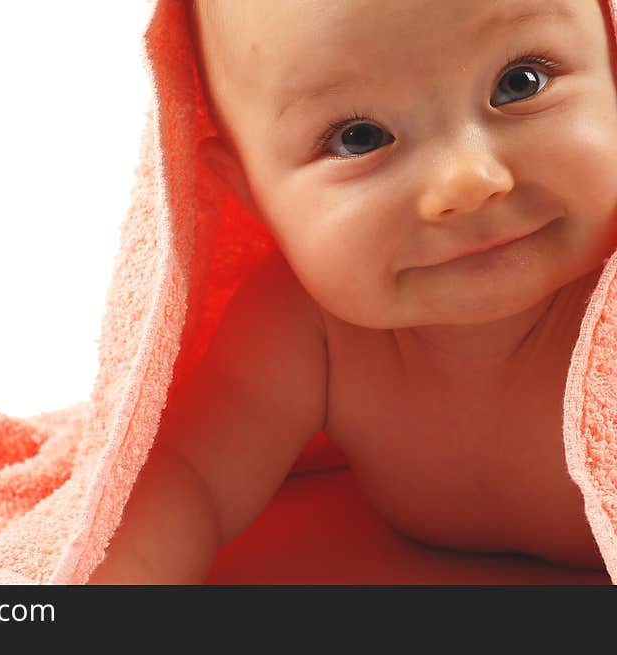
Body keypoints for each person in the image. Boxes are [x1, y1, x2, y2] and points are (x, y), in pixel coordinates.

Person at [88, 0, 617, 583]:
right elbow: (187, 477)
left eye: (521, 83)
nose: (467, 181)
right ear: (252, 192)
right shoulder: (307, 328)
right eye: (360, 137)